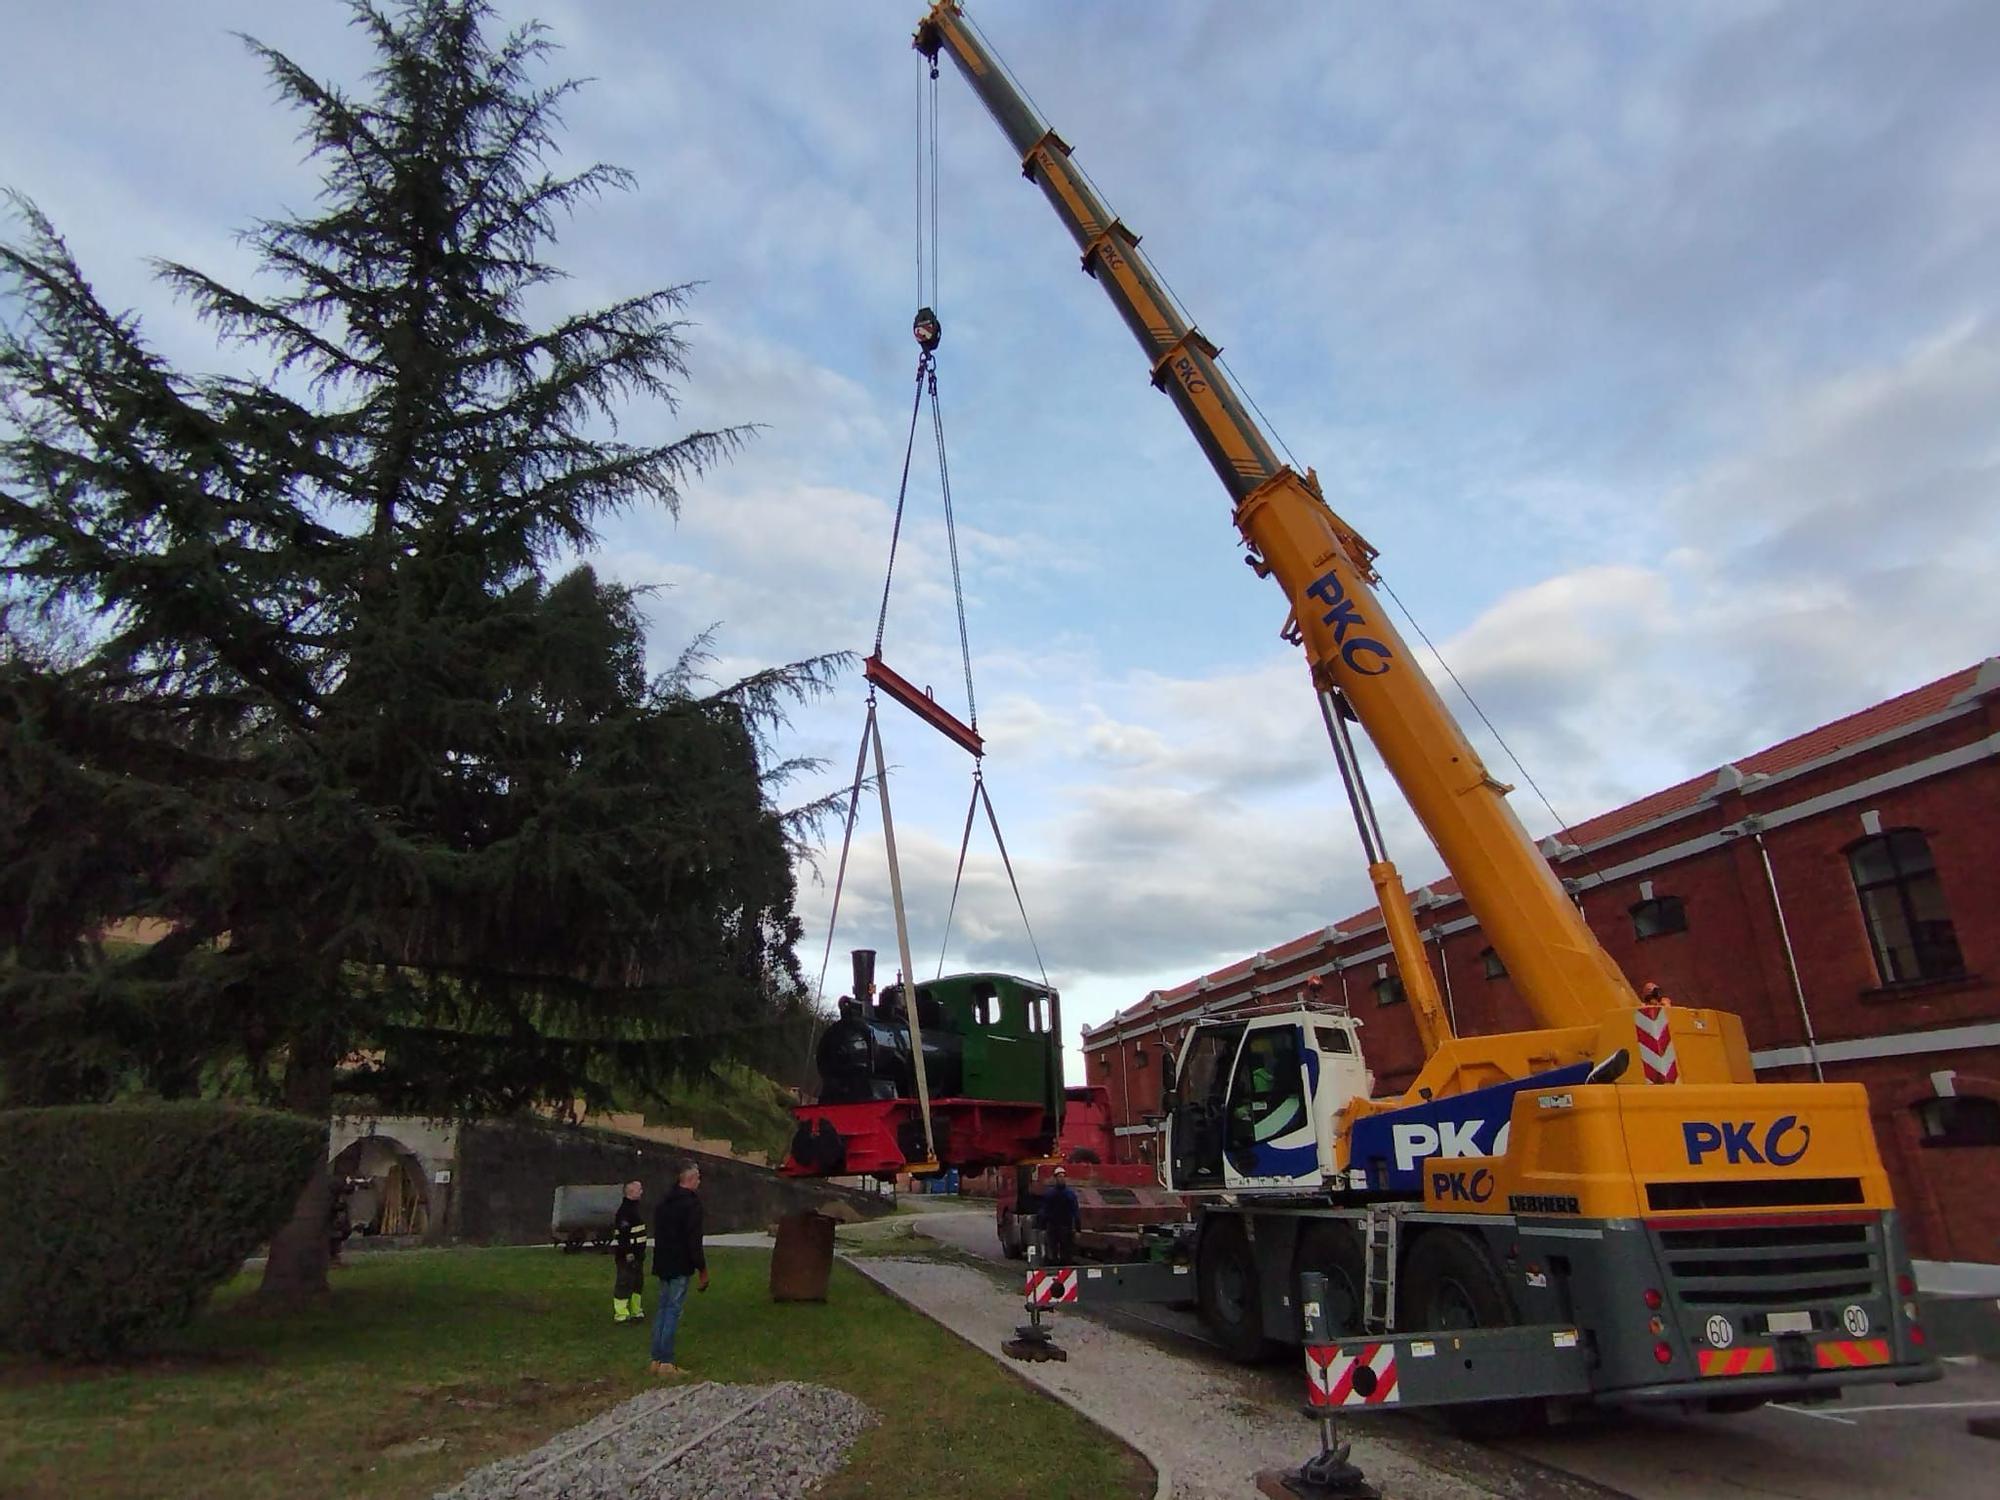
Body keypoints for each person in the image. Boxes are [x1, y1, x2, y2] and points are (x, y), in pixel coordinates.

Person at [648, 1161, 709, 1376]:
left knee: (663, 1309)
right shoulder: (691, 1205)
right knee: (673, 1310)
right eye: (698, 1177)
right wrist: (701, 1267)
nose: (700, 1181)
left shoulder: (664, 1203)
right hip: (681, 1262)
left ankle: (656, 1358)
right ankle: (666, 1361)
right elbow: (694, 1239)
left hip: (663, 1262)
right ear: (690, 1180)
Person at [612, 1180, 647, 1325]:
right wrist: (628, 1252)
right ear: (631, 1192)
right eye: (639, 1189)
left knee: (636, 1283)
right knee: (625, 1282)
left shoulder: (633, 1209)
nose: (642, 1192)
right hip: (628, 1255)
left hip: (637, 1254)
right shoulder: (625, 1211)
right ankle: (621, 1314)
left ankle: (635, 1310)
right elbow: (623, 1234)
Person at [1036, 1164, 1080, 1265]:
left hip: (1066, 1227)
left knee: (1066, 1252)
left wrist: (1078, 1229)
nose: (1062, 1178)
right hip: (1053, 1227)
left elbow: (1075, 1211)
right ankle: (1054, 1267)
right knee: (1053, 1250)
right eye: (1059, 1176)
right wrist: (1042, 1227)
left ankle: (1065, 1268)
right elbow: (1044, 1211)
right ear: (1055, 1178)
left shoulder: (1070, 1194)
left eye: (1063, 1176)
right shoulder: (1050, 1194)